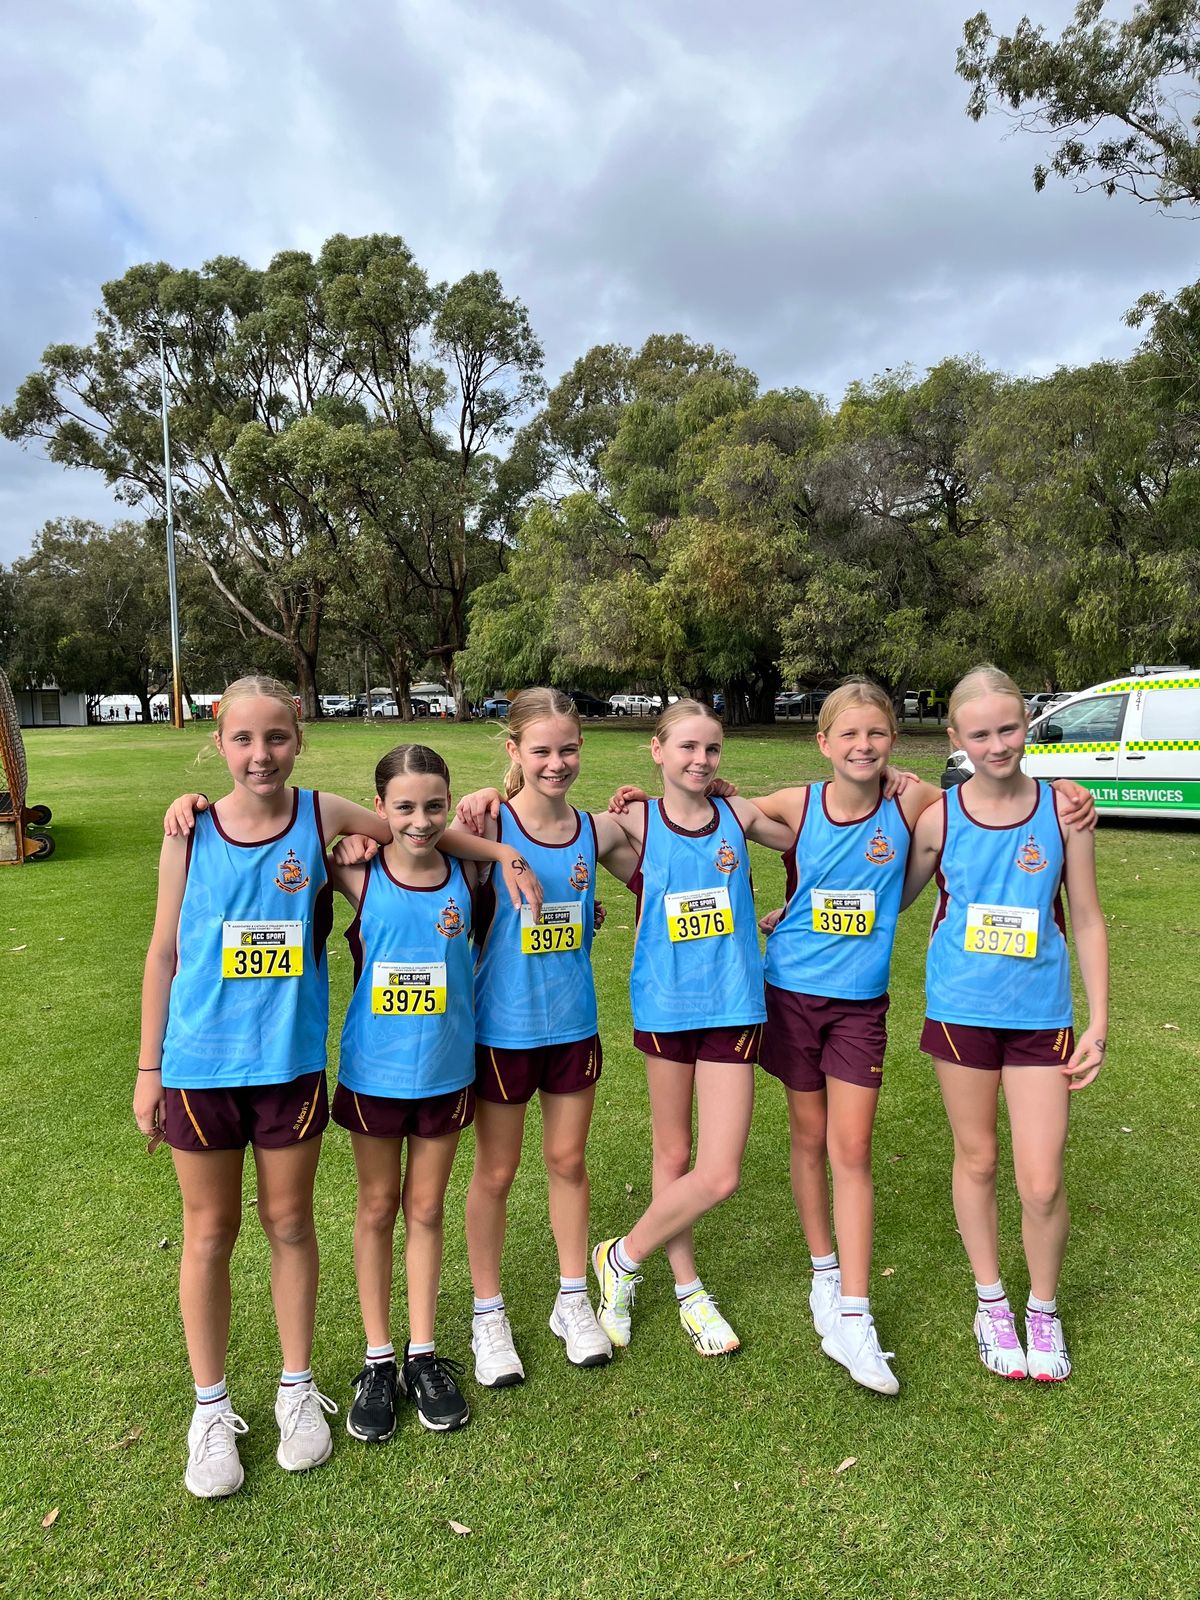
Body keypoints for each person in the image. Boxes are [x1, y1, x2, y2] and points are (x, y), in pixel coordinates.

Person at [136, 677, 539, 1498]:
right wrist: (148, 1069)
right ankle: (210, 1409)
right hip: (198, 1065)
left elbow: (412, 831)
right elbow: (164, 953)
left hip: (290, 1065)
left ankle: (298, 1390)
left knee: (289, 1223)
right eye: (243, 739)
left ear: (300, 740)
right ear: (218, 743)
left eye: (277, 738)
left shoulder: (322, 816)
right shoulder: (190, 830)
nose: (261, 755)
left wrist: (497, 845)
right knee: (208, 1233)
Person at [902, 664, 1108, 1382]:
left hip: (1040, 1016)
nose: (998, 746)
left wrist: (1098, 1021)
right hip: (960, 1012)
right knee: (979, 1159)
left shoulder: (1064, 811)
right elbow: (889, 893)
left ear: (1028, 726)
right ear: (955, 738)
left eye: (1010, 728)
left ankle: (1042, 1309)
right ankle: (991, 1301)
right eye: (981, 734)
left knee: (1042, 1181)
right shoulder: (939, 817)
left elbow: (1086, 916)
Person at [592, 699, 796, 1356]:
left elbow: (812, 836)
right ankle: (688, 1289)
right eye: (687, 747)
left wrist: (895, 785)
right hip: (666, 1005)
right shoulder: (634, 820)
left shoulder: (738, 814)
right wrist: (489, 798)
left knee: (720, 1172)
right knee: (673, 1154)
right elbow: (550, 831)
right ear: (657, 750)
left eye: (711, 749)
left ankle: (621, 1257)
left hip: (734, 1004)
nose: (700, 760)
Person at [450, 688, 641, 1388]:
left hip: (574, 1026)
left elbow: (673, 856)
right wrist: (496, 842)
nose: (556, 763)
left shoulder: (596, 830)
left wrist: (687, 791)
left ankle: (572, 1299)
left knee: (567, 1161)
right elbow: (417, 834)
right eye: (540, 751)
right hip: (502, 1030)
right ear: (514, 752)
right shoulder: (486, 822)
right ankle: (488, 1313)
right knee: (496, 1173)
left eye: (567, 749)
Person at [331, 744, 479, 1442]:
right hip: (374, 1075)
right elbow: (289, 838)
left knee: (426, 1208)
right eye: (404, 807)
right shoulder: (355, 872)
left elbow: (519, 831)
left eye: (433, 806)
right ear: (380, 806)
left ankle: (423, 1355)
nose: (420, 821)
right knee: (377, 1206)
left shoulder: (469, 873)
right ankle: (378, 1359)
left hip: (447, 1072)